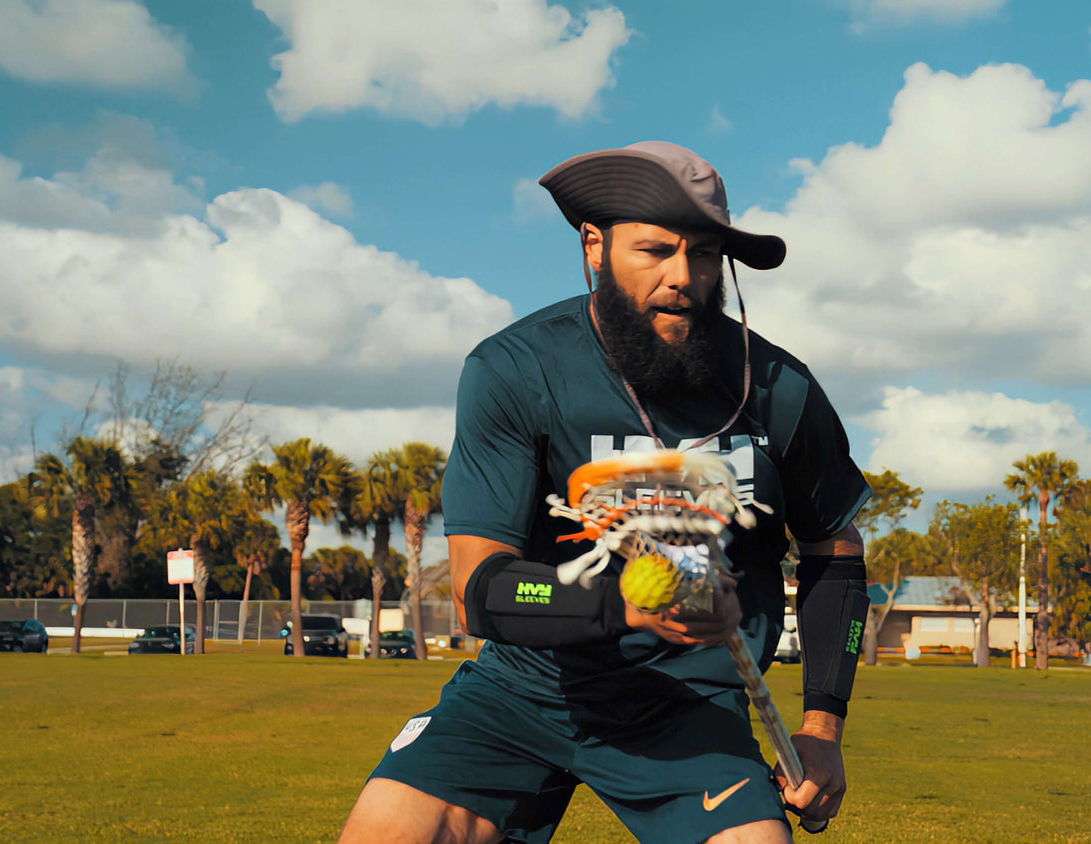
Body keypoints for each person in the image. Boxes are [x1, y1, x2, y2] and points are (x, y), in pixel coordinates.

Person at [340, 141, 871, 844]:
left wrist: (822, 726)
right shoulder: (516, 369)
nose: (684, 277)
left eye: (705, 254)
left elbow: (835, 552)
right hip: (526, 691)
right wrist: (624, 603)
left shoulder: (779, 390)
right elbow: (481, 586)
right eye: (655, 250)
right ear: (595, 246)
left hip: (693, 706)